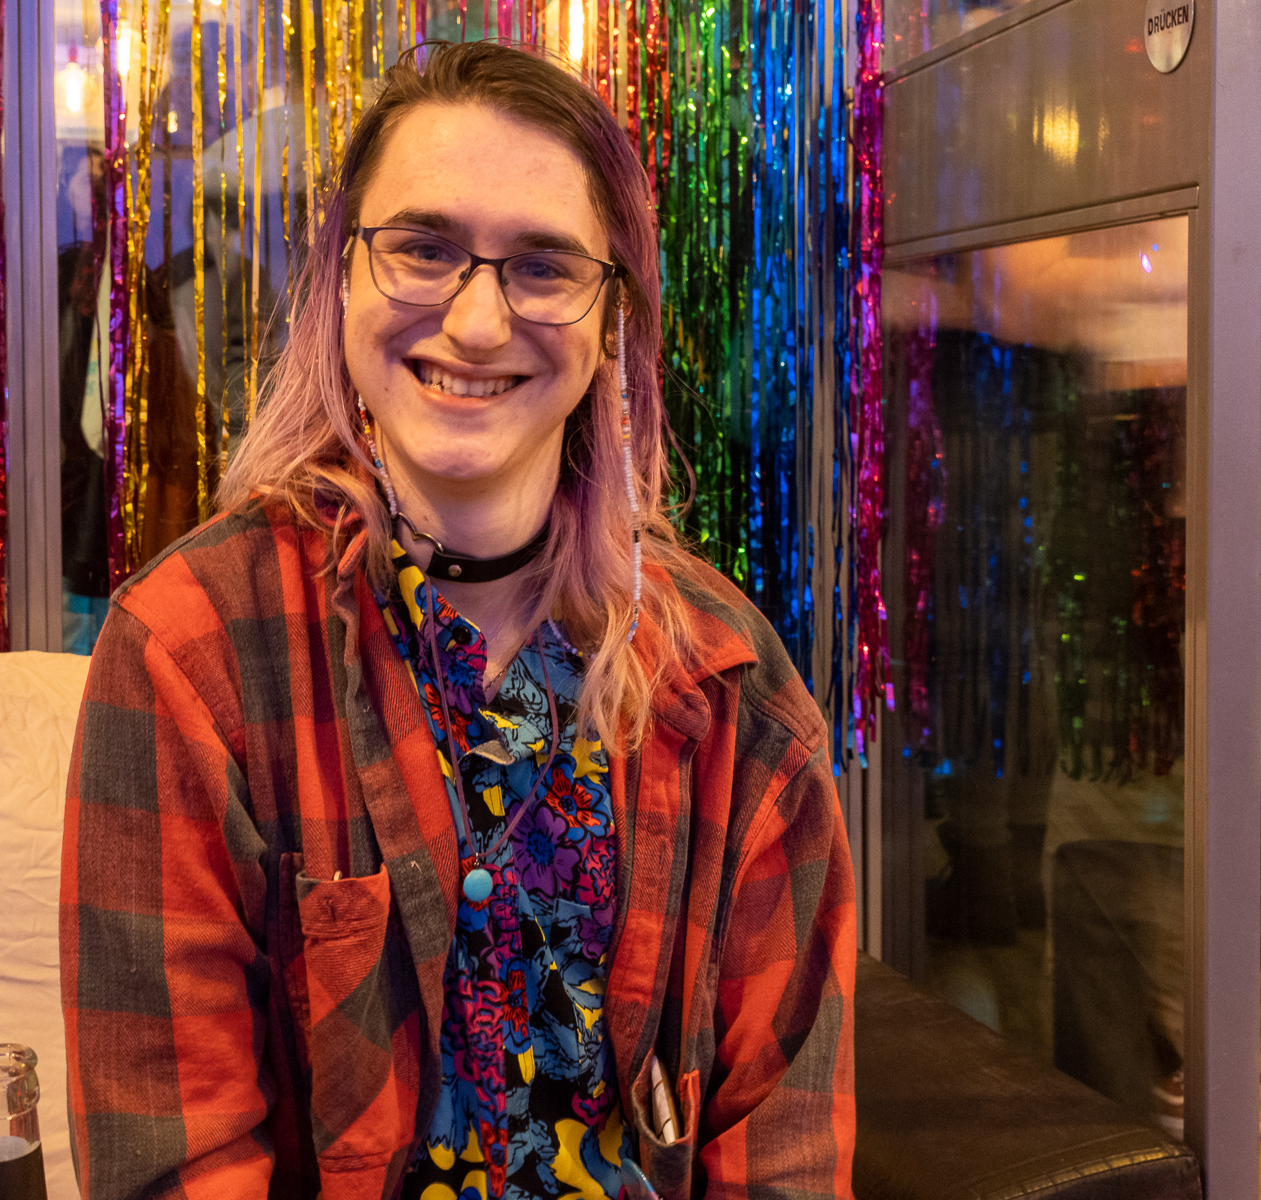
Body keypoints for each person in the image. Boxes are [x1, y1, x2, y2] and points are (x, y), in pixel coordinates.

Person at [62, 41, 855, 1200]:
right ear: (340, 279)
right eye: (424, 248)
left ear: (609, 321)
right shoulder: (191, 654)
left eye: (541, 266)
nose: (477, 322)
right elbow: (172, 1167)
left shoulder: (728, 678)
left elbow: (782, 1153)